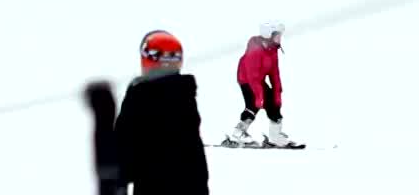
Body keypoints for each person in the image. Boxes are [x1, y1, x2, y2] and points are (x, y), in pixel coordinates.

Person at [114, 30, 208, 195]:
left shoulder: (139, 96)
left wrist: (119, 182)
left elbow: (123, 148)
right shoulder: (185, 95)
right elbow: (196, 157)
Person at [227, 22, 296, 147]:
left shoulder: (273, 49)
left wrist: (277, 93)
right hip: (246, 78)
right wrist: (259, 97)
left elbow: (274, 73)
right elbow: (252, 76)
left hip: (258, 79)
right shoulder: (255, 49)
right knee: (253, 104)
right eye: (277, 35)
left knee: (273, 103)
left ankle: (275, 137)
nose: (280, 38)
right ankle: (237, 133)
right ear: (268, 36)